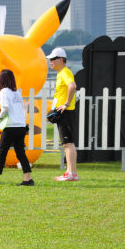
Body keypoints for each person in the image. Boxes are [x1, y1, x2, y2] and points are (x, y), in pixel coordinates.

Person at [0, 69, 34, 186]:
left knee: (2, 152)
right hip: (21, 125)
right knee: (20, 153)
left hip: (10, 126)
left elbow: (5, 108)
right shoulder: (17, 93)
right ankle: (27, 178)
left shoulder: (4, 91)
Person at [47, 47, 78, 181]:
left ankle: (72, 173)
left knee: (68, 144)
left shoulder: (65, 72)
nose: (50, 61)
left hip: (65, 112)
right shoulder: (61, 73)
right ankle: (70, 172)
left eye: (53, 59)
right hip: (63, 112)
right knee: (67, 144)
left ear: (60, 59)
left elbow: (72, 86)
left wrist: (66, 104)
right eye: (50, 59)